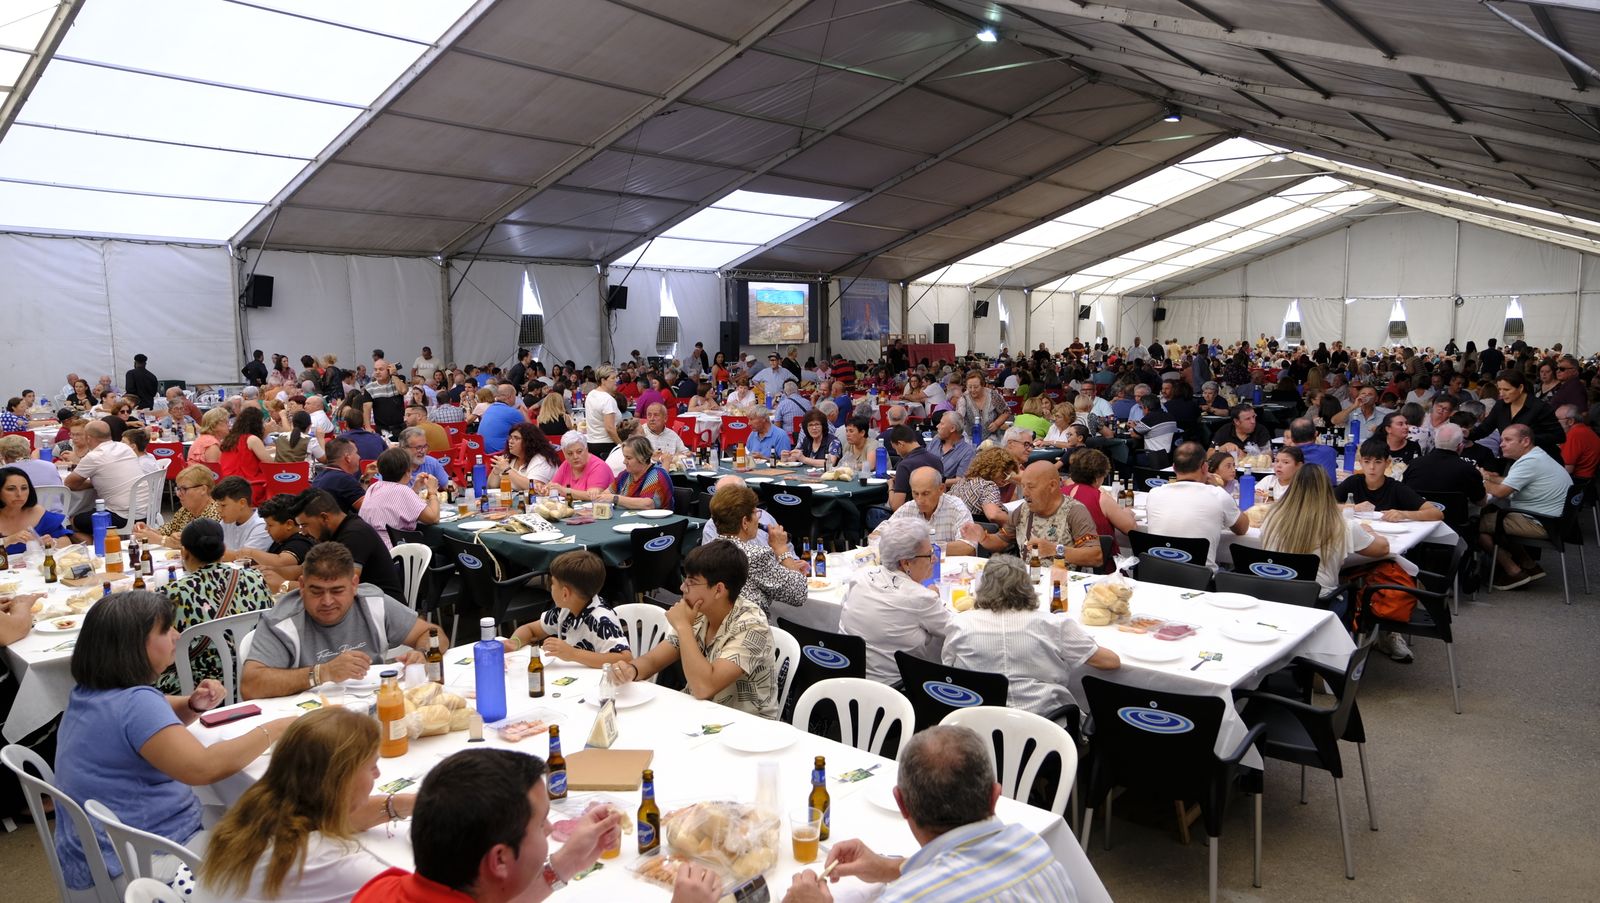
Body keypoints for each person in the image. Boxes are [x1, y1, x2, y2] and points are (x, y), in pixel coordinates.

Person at [53, 591, 297, 894]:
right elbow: (203, 767)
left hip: (97, 849)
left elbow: (151, 718)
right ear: (135, 645)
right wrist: (274, 729)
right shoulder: (137, 703)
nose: (177, 635)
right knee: (281, 838)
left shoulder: (91, 692)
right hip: (146, 856)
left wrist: (192, 705)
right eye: (166, 630)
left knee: (239, 807)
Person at [353, 748, 706, 903]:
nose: (552, 830)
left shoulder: (383, 888)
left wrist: (564, 864)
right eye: (541, 825)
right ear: (500, 860)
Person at [782, 724, 1078, 903]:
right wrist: (890, 868)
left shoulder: (906, 898)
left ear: (901, 804)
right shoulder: (1037, 849)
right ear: (995, 797)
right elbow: (968, 863)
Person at [200, 707, 413, 902]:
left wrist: (408, 804)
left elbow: (341, 816)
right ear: (341, 779)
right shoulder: (328, 861)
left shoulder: (256, 811)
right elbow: (423, 894)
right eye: (372, 766)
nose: (378, 774)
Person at [242, 541, 437, 699]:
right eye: (316, 591)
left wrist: (422, 653)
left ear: (354, 585)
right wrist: (322, 673)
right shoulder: (281, 621)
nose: (327, 601)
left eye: (337, 591)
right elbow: (250, 684)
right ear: (301, 586)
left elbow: (430, 633)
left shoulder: (373, 602)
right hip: (308, 723)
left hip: (377, 705)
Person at [614, 540, 779, 719]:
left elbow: (704, 687)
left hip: (748, 726)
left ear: (718, 590)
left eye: (691, 582)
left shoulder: (752, 625)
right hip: (700, 715)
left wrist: (683, 626)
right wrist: (632, 670)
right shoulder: (699, 613)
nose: (682, 587)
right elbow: (654, 660)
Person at [940, 553, 1118, 716]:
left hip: (980, 721)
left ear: (983, 586)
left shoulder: (960, 624)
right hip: (1045, 721)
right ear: (1026, 586)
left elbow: (948, 666)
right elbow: (1110, 662)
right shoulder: (1052, 625)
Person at [153, 518, 275, 693]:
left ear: (184, 553)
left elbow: (158, 649)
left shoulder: (171, 594)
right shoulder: (255, 579)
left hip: (198, 688)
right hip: (252, 678)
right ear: (223, 549)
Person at [840, 518, 957, 685]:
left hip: (847, 679)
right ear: (906, 562)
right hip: (894, 689)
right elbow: (954, 630)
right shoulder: (921, 598)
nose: (934, 560)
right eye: (929, 555)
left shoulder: (861, 575)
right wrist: (933, 596)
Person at [1259, 466, 1389, 596]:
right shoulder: (1342, 525)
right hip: (1317, 601)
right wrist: (1370, 532)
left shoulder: (1272, 517)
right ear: (1327, 490)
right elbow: (1383, 548)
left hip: (1274, 594)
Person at [1478, 423, 1574, 590]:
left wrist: (1480, 479)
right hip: (1556, 521)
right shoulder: (1537, 456)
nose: (1501, 444)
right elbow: (1512, 483)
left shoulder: (1529, 462)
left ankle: (1512, 571)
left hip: (1541, 522)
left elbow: (1501, 492)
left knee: (1474, 524)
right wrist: (1491, 478)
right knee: (1496, 514)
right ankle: (1529, 564)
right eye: (1502, 440)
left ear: (1525, 441)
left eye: (1508, 440)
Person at [961, 461, 1102, 570]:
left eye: (1031, 486)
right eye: (1023, 486)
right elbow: (1002, 540)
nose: (1025, 492)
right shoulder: (1023, 509)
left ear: (1052, 486)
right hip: (1028, 583)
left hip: (1064, 585)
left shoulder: (1074, 511)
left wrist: (1055, 550)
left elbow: (1096, 555)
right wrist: (983, 537)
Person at [501, 550, 630, 668]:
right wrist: (514, 642)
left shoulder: (601, 619)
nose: (551, 587)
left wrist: (573, 654)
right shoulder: (565, 610)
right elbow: (531, 630)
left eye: (553, 583)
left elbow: (625, 659)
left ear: (565, 594)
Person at [1142, 441, 1247, 569]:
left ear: (1174, 468)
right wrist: (1219, 488)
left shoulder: (1154, 494)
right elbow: (1242, 528)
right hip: (1200, 581)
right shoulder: (1218, 495)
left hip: (1155, 576)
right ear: (1204, 467)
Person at [708, 483, 807, 616]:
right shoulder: (754, 557)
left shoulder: (705, 552)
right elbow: (798, 593)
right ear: (745, 522)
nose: (758, 518)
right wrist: (781, 549)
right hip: (749, 631)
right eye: (755, 513)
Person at [291, 489, 404, 599]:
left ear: (324, 518)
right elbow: (306, 570)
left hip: (382, 609)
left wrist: (285, 585)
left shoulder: (355, 534)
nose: (303, 532)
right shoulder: (333, 535)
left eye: (304, 525)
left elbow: (341, 586)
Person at [63, 419, 146, 534]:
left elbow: (69, 484)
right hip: (146, 512)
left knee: (71, 521)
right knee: (91, 515)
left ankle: (98, 547)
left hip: (123, 517)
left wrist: (92, 483)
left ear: (88, 438)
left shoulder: (94, 456)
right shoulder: (124, 447)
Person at [875, 466, 978, 555]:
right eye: (915, 493)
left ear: (941, 489)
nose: (919, 500)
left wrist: (923, 549)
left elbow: (968, 546)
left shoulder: (956, 507)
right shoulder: (910, 507)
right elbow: (877, 534)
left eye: (926, 493)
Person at [1336, 438, 1444, 522]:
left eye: (1378, 462)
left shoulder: (1396, 487)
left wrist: (1404, 514)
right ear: (1361, 462)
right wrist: (1353, 507)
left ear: (1387, 463)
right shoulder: (1353, 481)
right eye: (1367, 461)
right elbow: (1322, 505)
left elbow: (1436, 513)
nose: (1372, 467)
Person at [360, 447, 441, 549]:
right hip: (394, 553)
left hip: (368, 547)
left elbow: (399, 504)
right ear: (407, 471)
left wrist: (415, 489)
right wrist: (432, 491)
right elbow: (433, 518)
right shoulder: (402, 490)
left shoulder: (374, 487)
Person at [1061, 448, 1134, 556]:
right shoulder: (1101, 498)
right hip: (1099, 562)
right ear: (1097, 477)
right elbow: (1131, 529)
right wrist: (1128, 512)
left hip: (1064, 559)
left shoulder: (1059, 493)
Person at [236, 493, 316, 583]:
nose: (266, 529)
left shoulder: (301, 542)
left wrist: (251, 552)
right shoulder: (279, 541)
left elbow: (282, 562)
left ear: (289, 524)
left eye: (270, 525)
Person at [1401, 423, 1487, 506]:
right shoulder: (1468, 469)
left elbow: (1404, 493)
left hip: (1419, 517)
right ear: (1460, 447)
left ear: (1435, 442)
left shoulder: (1414, 464)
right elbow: (1481, 502)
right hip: (1453, 519)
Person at [0, 467, 73, 554]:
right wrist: (7, 540)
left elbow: (67, 542)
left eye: (24, 488)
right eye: (11, 489)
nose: (19, 494)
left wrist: (52, 543)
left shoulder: (37, 513)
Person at [601, 435, 674, 510]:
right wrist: (604, 497)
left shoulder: (656, 474)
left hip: (657, 521)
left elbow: (647, 504)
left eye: (628, 458)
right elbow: (606, 494)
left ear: (642, 458)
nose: (624, 462)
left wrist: (616, 499)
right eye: (624, 457)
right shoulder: (625, 475)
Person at [949, 446, 1018, 524]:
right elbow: (994, 515)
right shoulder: (987, 485)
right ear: (993, 468)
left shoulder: (961, 483)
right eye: (1005, 474)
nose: (1006, 479)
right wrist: (1019, 522)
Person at [490, 422, 560, 493]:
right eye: (510, 437)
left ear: (529, 441)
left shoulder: (542, 460)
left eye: (516, 438)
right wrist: (497, 469)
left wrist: (507, 469)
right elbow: (491, 486)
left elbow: (534, 487)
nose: (510, 441)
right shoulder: (509, 458)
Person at [212, 475, 273, 555]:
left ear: (242, 503)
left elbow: (244, 559)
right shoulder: (225, 522)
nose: (218, 510)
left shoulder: (262, 525)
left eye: (223, 505)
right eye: (218, 505)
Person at [886, 425, 942, 510]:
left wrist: (891, 486)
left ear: (900, 444)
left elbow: (896, 507)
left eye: (895, 448)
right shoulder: (937, 460)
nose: (897, 453)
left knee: (872, 512)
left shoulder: (904, 465)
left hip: (912, 515)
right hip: (936, 510)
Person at [218, 406, 273, 493]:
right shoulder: (252, 439)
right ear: (257, 424)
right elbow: (270, 464)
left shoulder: (229, 439)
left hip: (227, 483)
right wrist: (266, 433)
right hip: (248, 485)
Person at [549, 430, 615, 501]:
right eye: (570, 453)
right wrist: (546, 489)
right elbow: (553, 485)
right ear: (564, 453)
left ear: (586, 449)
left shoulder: (599, 467)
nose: (575, 457)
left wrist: (564, 491)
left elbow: (593, 496)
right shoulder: (566, 464)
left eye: (579, 451)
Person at [311, 436, 366, 513]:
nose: (359, 457)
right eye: (356, 453)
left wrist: (365, 479)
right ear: (348, 457)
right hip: (338, 524)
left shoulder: (320, 477)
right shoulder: (344, 480)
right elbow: (367, 509)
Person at [584, 365, 623, 459]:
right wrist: (621, 445)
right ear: (603, 380)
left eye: (616, 377)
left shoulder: (591, 394)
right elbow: (609, 428)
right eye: (613, 378)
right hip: (607, 446)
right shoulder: (607, 399)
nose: (616, 381)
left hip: (591, 443)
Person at [477, 383, 525, 456]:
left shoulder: (490, 408)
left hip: (482, 452)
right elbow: (529, 432)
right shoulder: (512, 412)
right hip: (500, 453)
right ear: (510, 396)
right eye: (515, 396)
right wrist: (524, 412)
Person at [1556, 404, 1600, 480]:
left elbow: (1567, 469)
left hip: (1578, 481)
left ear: (1570, 421)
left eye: (1557, 419)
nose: (1555, 423)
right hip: (1589, 480)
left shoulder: (1574, 434)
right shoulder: (1585, 429)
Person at [929, 410, 975, 482]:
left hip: (946, 491)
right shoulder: (936, 440)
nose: (937, 426)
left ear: (952, 428)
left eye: (941, 424)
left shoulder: (967, 451)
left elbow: (960, 480)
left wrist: (935, 482)